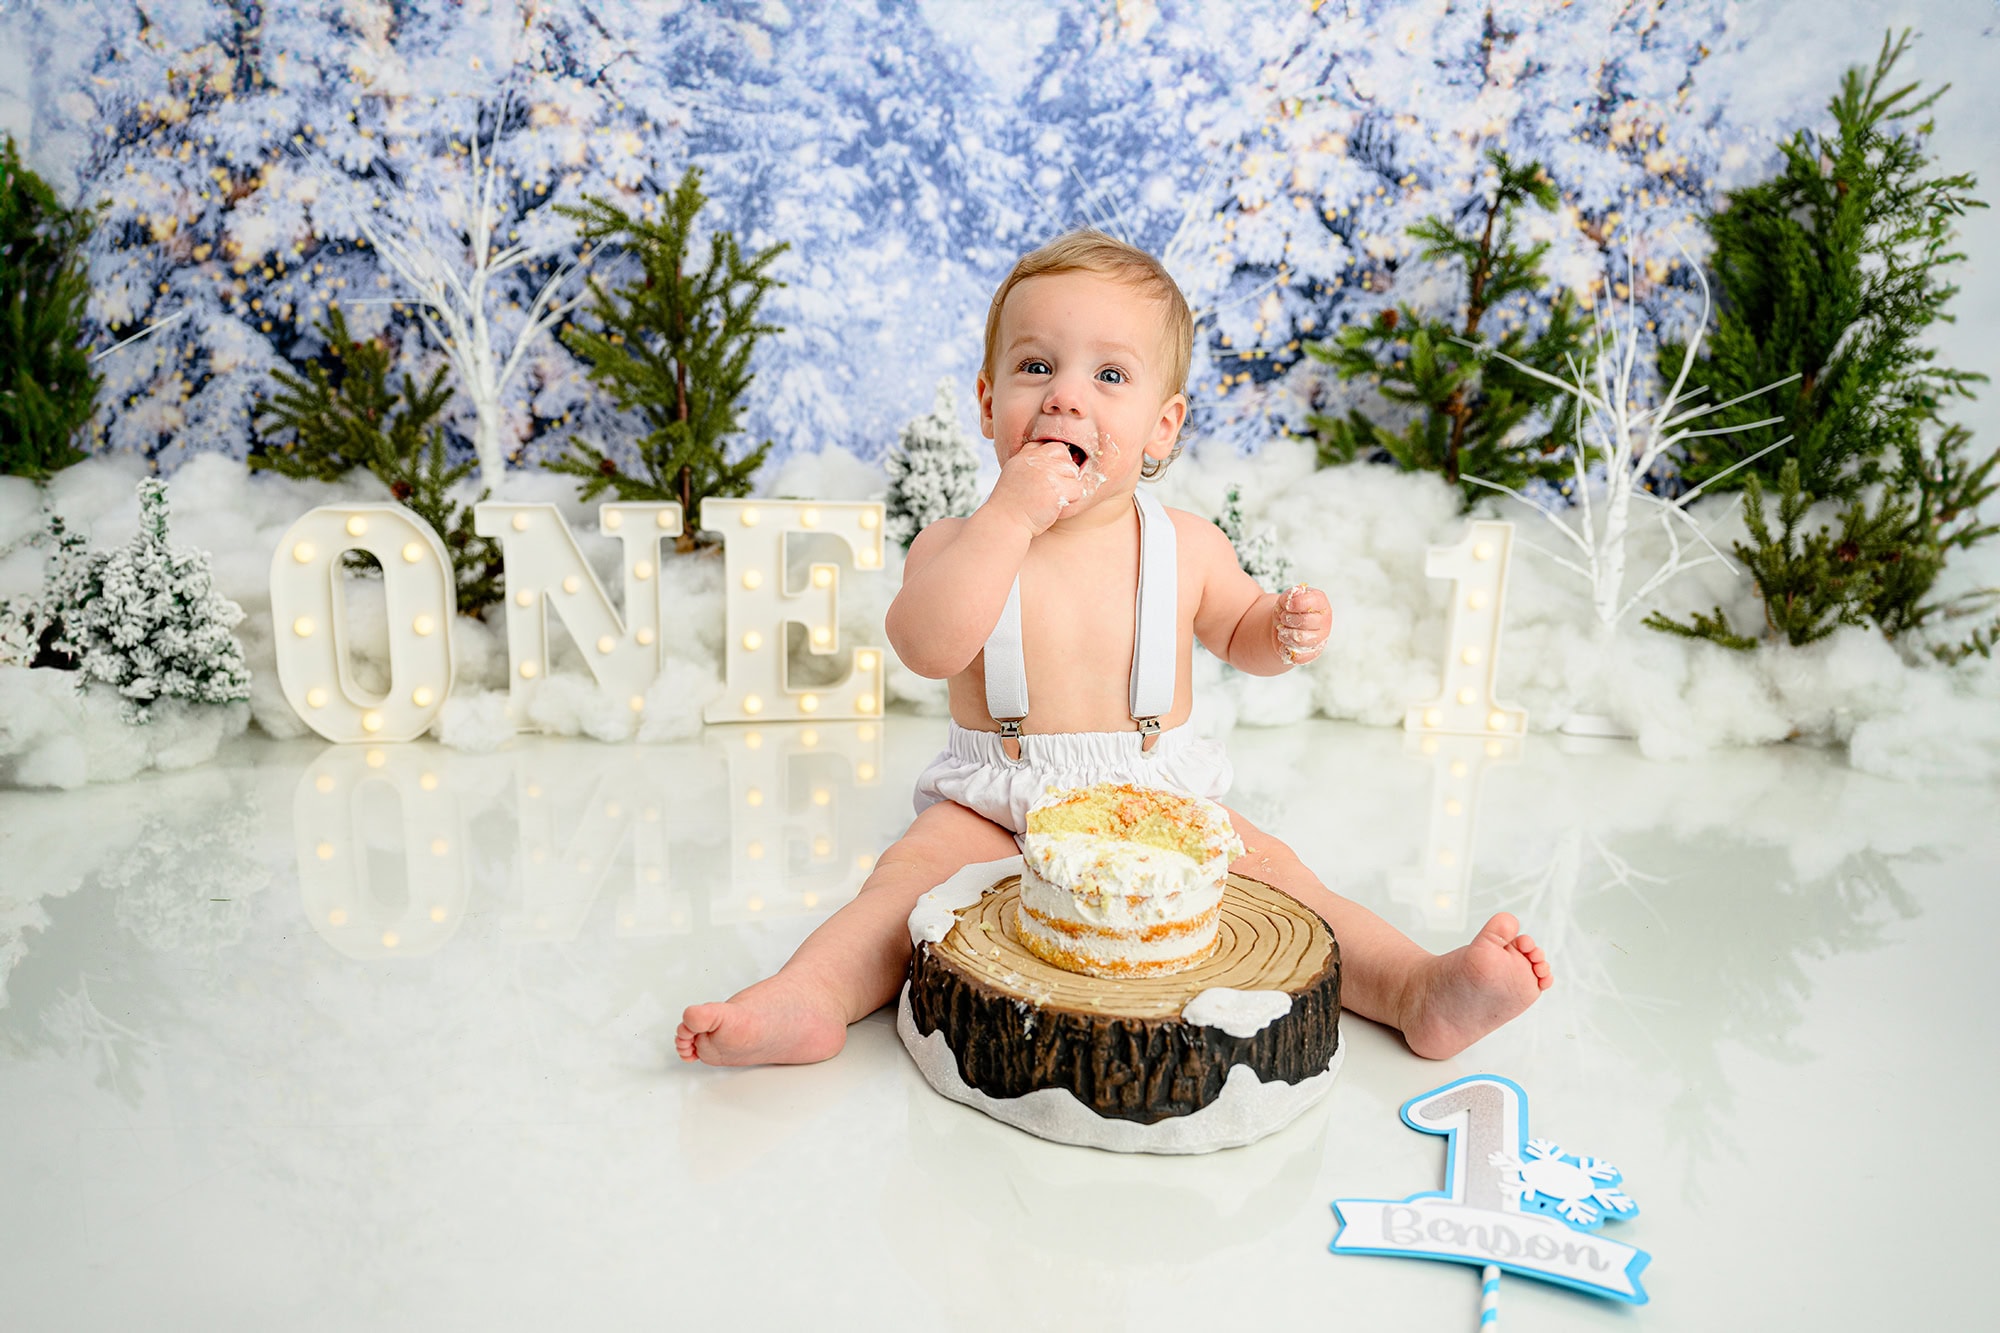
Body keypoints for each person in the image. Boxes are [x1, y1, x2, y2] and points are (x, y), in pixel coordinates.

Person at [676, 230, 1551, 1067]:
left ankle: (1415, 990)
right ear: (989, 405)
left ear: (1162, 427)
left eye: (1108, 374)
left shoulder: (1188, 544)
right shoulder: (957, 540)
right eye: (1035, 367)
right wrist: (1011, 515)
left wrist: (1279, 631)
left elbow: (1237, 631)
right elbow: (928, 646)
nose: (1065, 396)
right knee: (896, 894)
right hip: (996, 800)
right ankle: (808, 996)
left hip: (1155, 796)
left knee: (1289, 885)